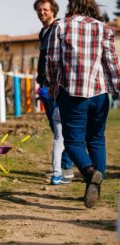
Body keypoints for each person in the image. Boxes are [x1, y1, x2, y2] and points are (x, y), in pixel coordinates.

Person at [46, 0, 120, 208]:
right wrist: (117, 90)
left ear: (72, 5)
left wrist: (52, 84)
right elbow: (112, 65)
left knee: (73, 142)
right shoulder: (103, 29)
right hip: (99, 94)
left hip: (72, 94)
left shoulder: (60, 26)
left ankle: (89, 172)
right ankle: (95, 184)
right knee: (97, 139)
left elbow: (52, 60)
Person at [34, 0, 73, 185]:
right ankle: (64, 167)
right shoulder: (43, 32)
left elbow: (57, 59)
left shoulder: (58, 28)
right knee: (55, 127)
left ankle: (65, 168)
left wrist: (54, 83)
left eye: (45, 9)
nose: (42, 12)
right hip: (45, 86)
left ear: (53, 11)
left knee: (62, 129)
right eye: (39, 9)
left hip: (56, 86)